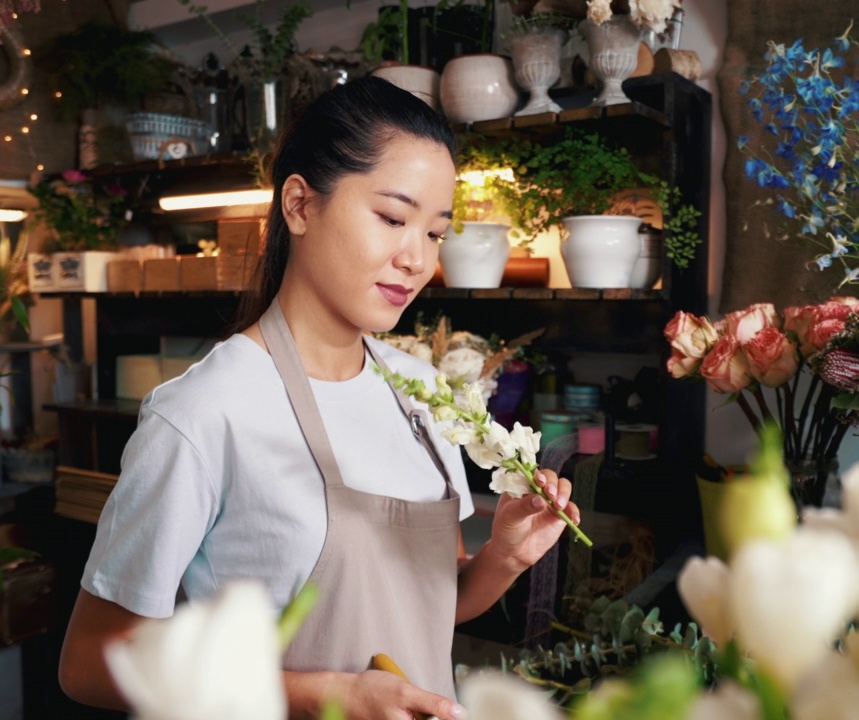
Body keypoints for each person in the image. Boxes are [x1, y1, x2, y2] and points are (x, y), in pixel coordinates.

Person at [58, 77, 580, 720]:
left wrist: (504, 558)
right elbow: (92, 662)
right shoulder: (204, 413)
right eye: (392, 218)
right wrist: (324, 695)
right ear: (300, 206)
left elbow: (429, 602)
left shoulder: (421, 399)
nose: (416, 259)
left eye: (436, 233)